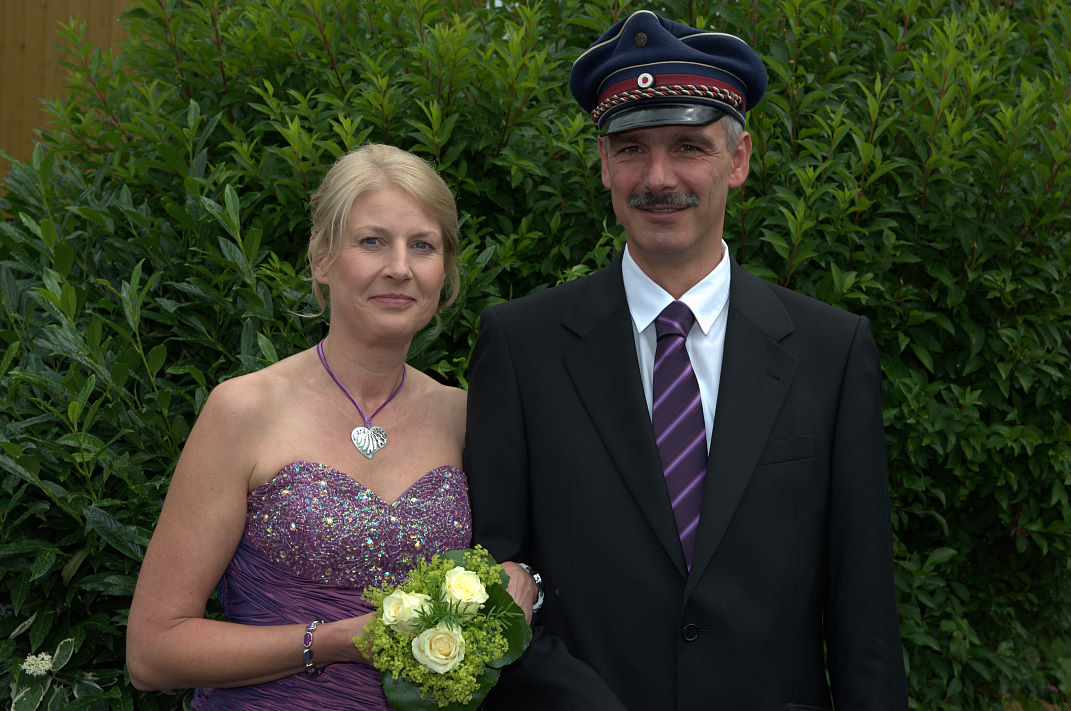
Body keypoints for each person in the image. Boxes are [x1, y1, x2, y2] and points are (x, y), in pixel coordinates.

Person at [464, 10, 908, 710]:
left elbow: (864, 610)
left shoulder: (830, 350)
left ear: (739, 160)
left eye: (688, 147)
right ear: (603, 164)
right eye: (631, 148)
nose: (658, 177)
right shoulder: (523, 346)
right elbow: (494, 578)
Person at [126, 143, 534, 709]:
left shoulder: (466, 417)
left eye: (423, 245)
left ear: (444, 270)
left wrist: (519, 580)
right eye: (372, 242)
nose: (400, 267)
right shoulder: (245, 409)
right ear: (322, 258)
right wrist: (334, 641)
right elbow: (153, 653)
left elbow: (527, 552)